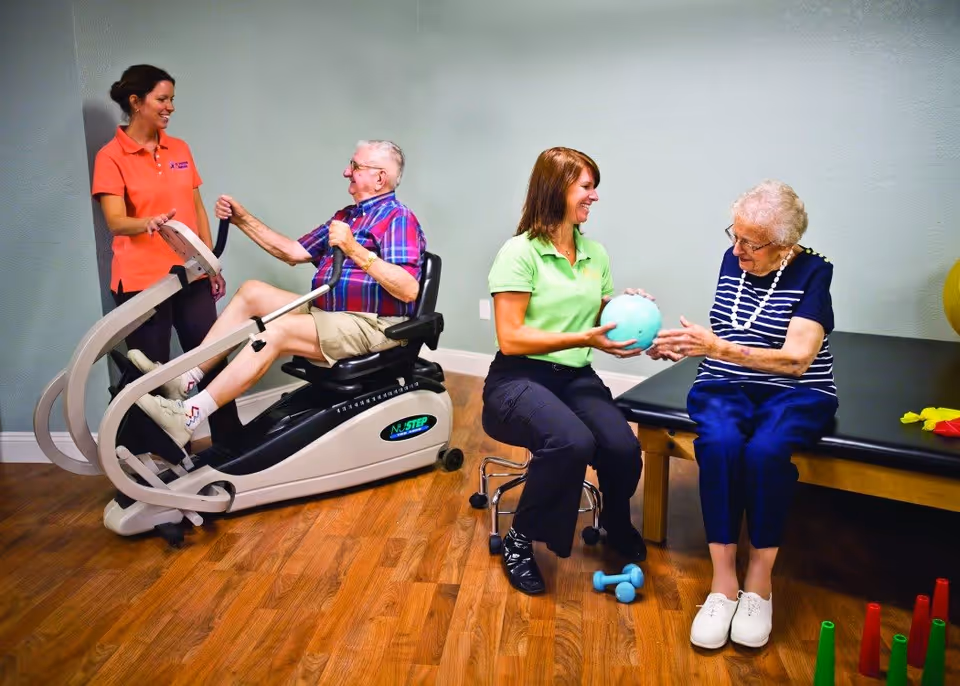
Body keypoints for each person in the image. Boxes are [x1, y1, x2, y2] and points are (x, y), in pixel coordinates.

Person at [130, 140, 426, 450]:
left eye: (355, 166)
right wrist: (242, 219)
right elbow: (292, 251)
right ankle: (186, 378)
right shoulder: (348, 215)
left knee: (276, 331)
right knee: (252, 293)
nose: (345, 172)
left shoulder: (398, 218)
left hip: (371, 324)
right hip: (328, 314)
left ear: (380, 178)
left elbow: (408, 289)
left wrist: (353, 248)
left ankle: (187, 417)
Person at [647, 180, 838, 649]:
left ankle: (759, 582)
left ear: (785, 246)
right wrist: (686, 347)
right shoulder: (733, 259)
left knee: (766, 451)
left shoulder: (814, 273)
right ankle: (723, 583)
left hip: (794, 390)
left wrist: (714, 347)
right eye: (734, 235)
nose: (737, 250)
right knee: (721, 444)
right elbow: (732, 330)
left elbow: (797, 359)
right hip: (726, 384)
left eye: (750, 242)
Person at [482, 146, 651, 596]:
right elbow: (511, 337)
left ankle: (615, 523)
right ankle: (519, 541)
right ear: (557, 189)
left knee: (620, 447)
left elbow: (595, 313)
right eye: (586, 186)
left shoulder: (594, 254)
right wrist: (584, 339)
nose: (593, 196)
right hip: (518, 378)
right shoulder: (519, 253)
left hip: (575, 378)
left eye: (595, 187)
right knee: (571, 442)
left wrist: (625, 310)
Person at [92, 64, 239, 440]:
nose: (169, 107)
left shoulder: (180, 149)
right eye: (162, 99)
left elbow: (197, 207)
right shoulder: (111, 156)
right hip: (142, 282)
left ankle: (230, 440)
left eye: (172, 99)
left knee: (211, 359)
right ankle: (153, 456)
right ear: (136, 102)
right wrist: (147, 223)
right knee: (152, 376)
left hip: (190, 273)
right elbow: (115, 220)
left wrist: (211, 263)